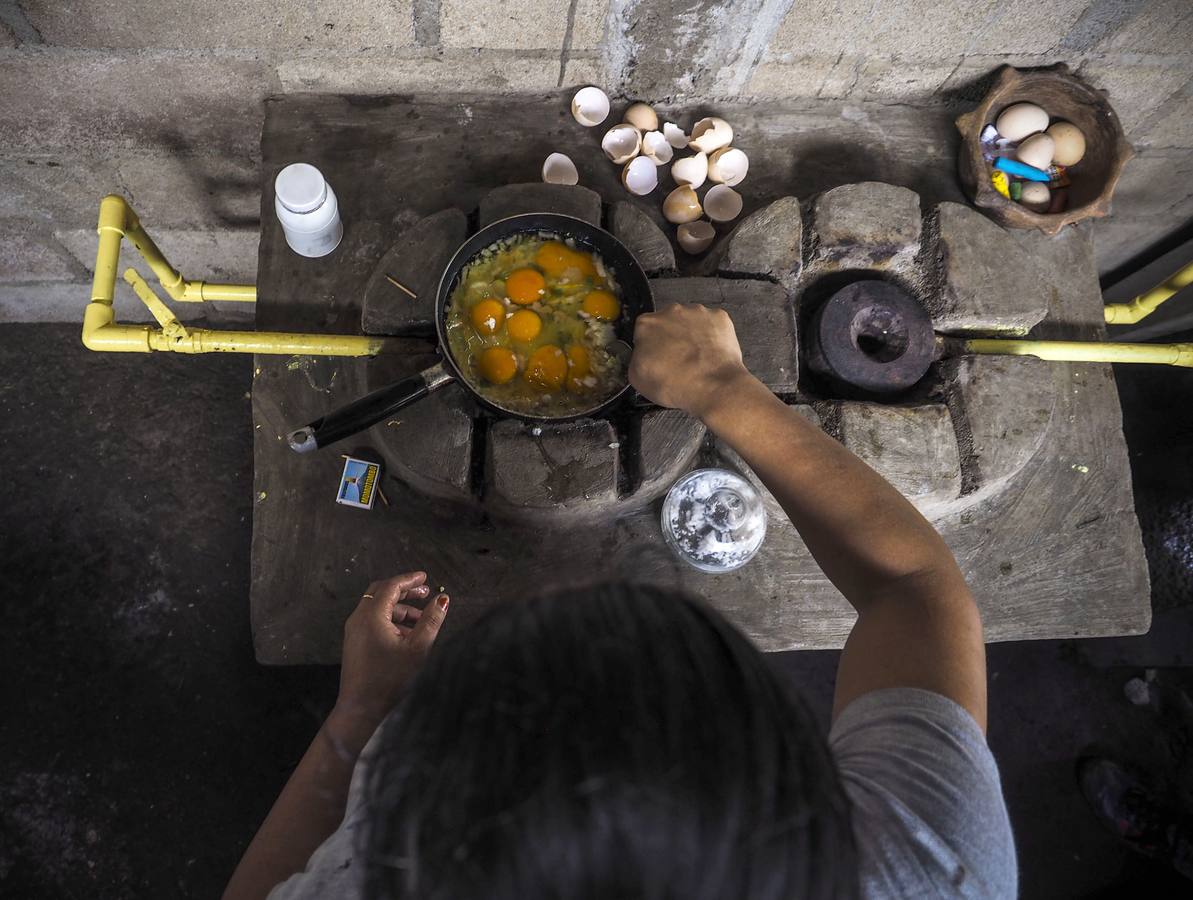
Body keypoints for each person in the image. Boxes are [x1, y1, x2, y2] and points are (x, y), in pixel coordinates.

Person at [224, 304, 1016, 899]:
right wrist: (719, 384)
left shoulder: (364, 877)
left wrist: (361, 715)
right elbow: (916, 589)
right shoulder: (922, 873)